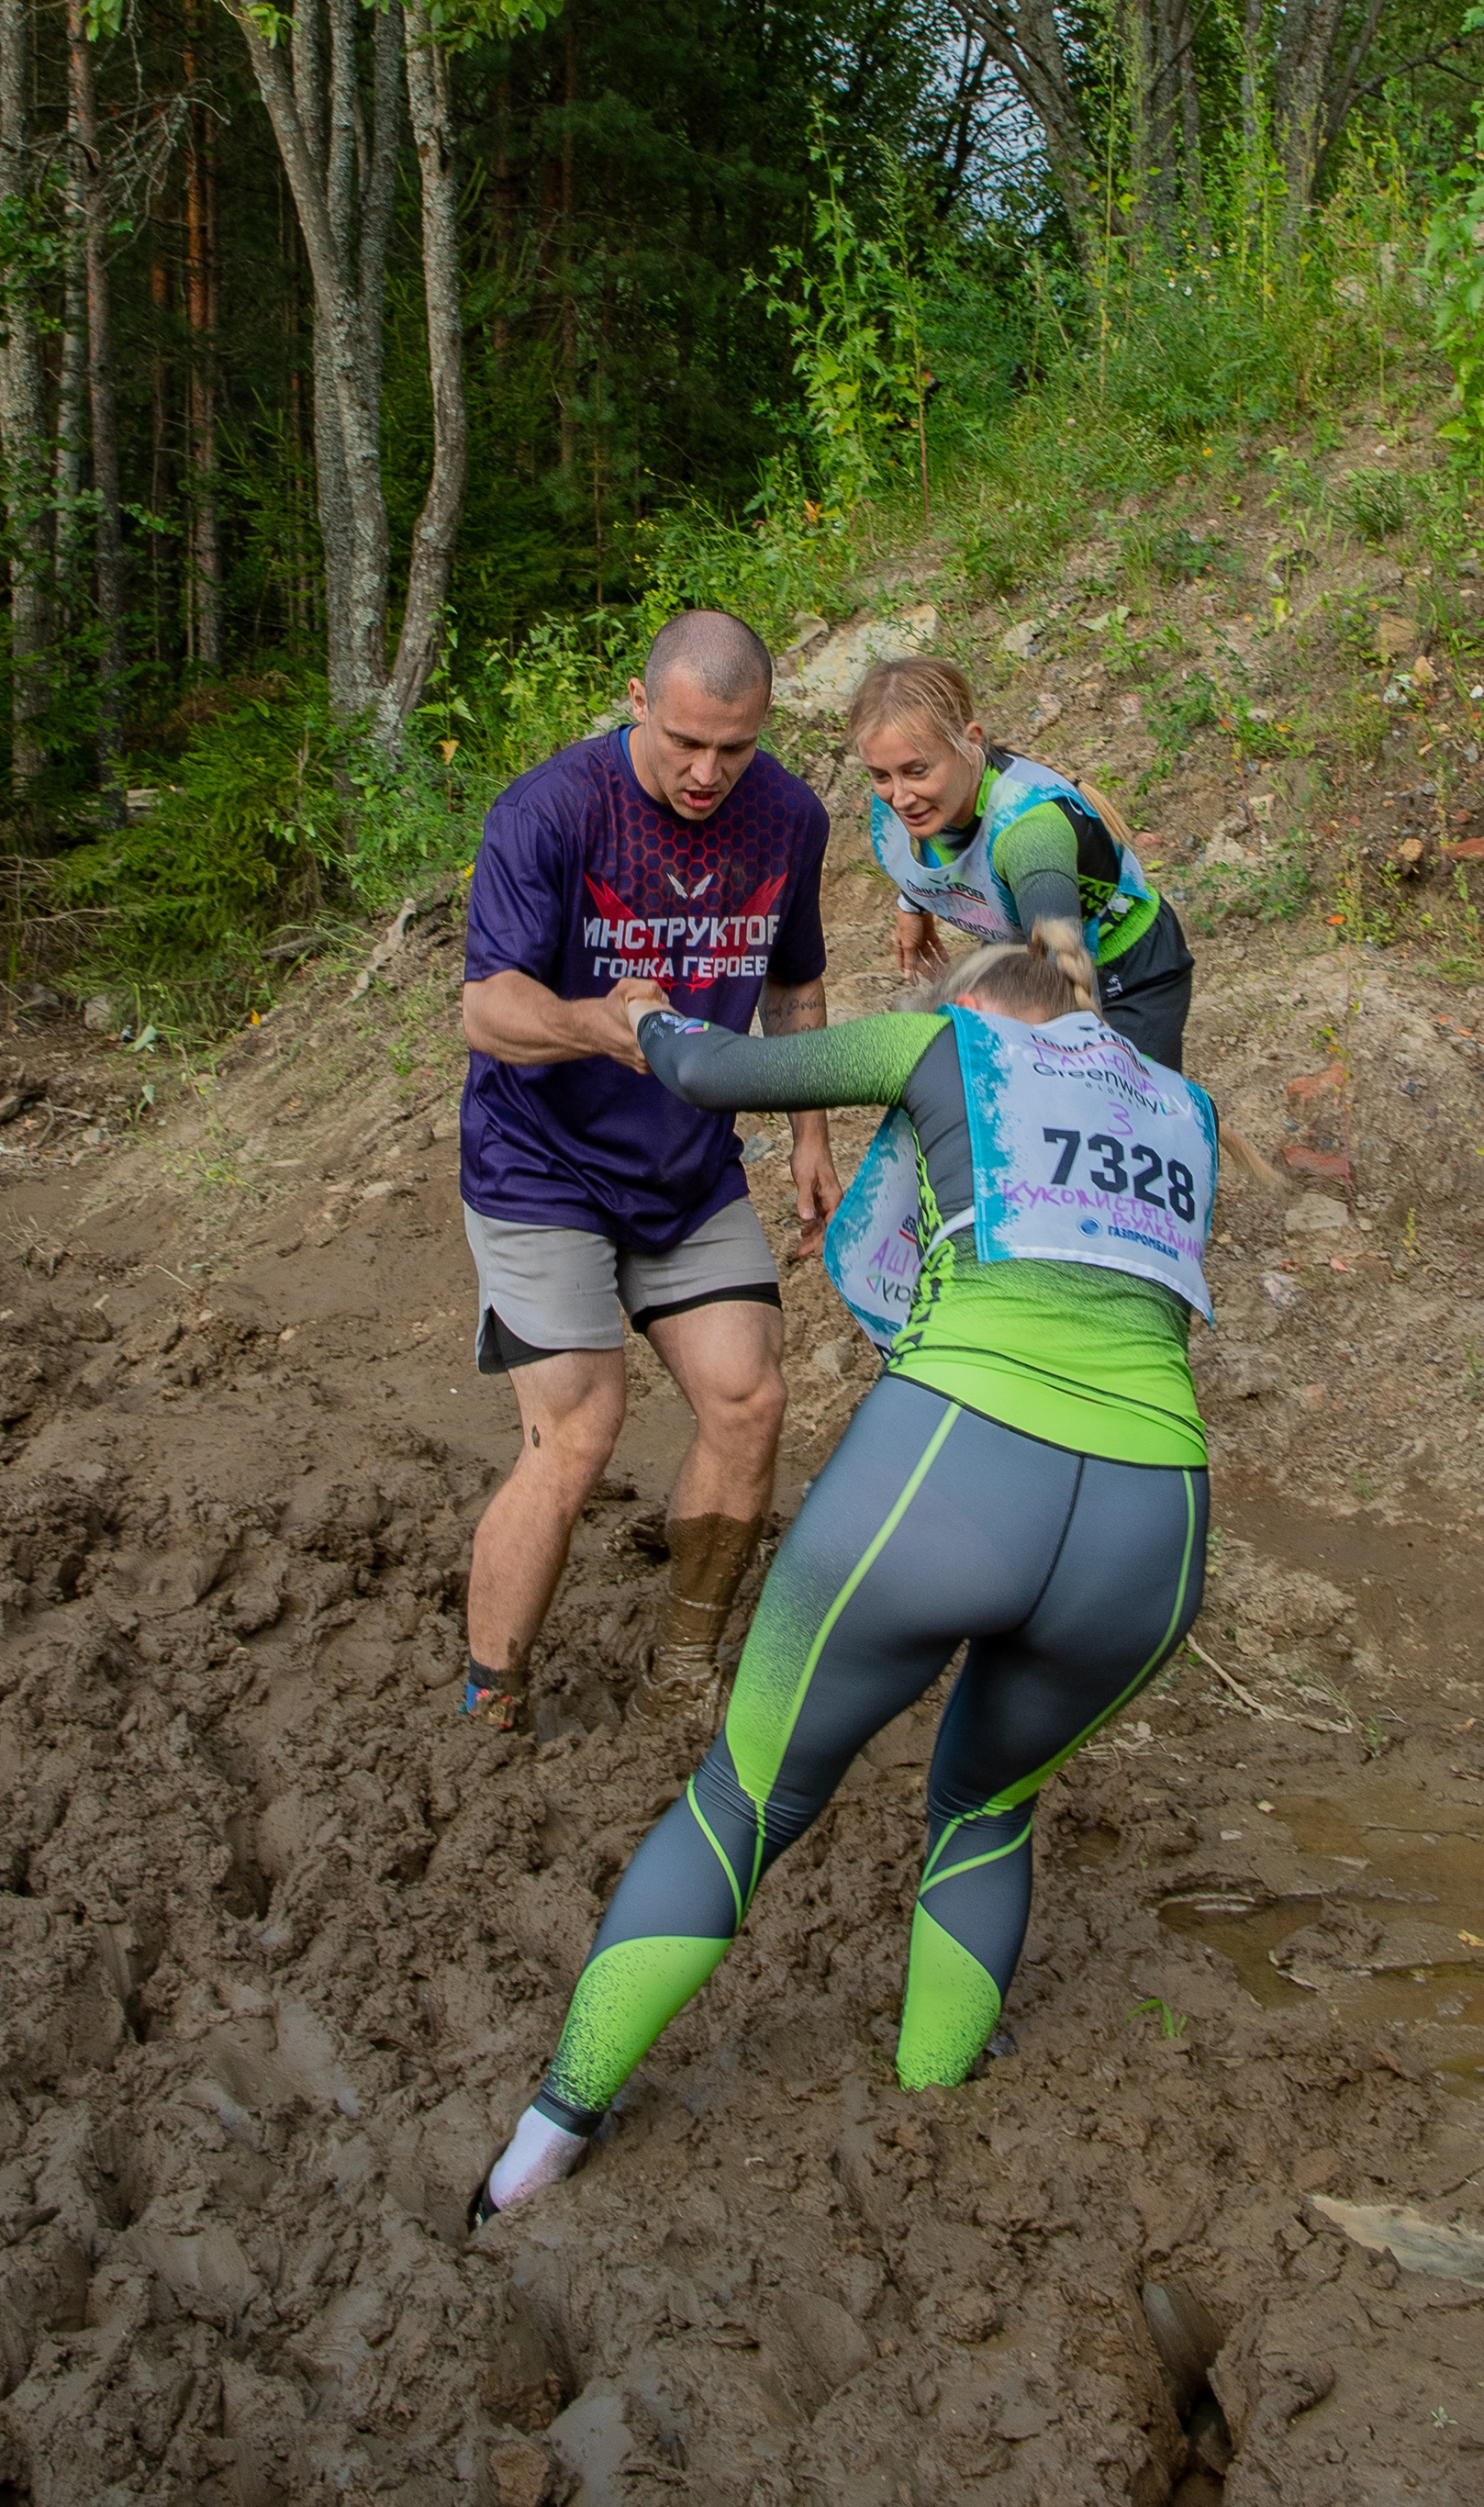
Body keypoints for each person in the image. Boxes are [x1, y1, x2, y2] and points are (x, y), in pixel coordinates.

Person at [473, 917, 1215, 2220]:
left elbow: (714, 1074)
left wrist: (639, 1016)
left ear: (978, 1005)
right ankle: (928, 2122)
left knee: (743, 1802)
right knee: (987, 1813)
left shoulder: (952, 1043)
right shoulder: (1182, 1104)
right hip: (1155, 1531)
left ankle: (545, 2139)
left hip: (952, 1477)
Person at [456, 607, 840, 1733]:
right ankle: (494, 1692)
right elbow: (488, 1009)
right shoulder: (551, 811)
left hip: (688, 1167)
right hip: (541, 1165)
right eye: (685, 743)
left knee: (748, 1398)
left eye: (735, 747)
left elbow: (796, 986)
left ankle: (685, 1668)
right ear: (638, 701)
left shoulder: (789, 817)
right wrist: (602, 1027)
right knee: (579, 1430)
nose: (708, 772)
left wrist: (811, 1135)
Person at [848, 653, 1196, 1069]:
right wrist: (912, 908)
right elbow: (932, 855)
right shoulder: (914, 798)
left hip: (1126, 968)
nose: (900, 797)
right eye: (881, 776)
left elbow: (1053, 985)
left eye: (917, 771)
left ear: (971, 741)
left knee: (1126, 1111)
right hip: (1023, 945)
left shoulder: (1031, 833)